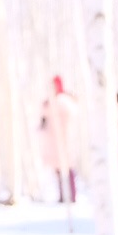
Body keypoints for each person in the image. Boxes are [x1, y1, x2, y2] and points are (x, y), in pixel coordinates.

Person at [39, 76, 82, 204]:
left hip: (64, 140)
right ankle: (64, 195)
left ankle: (71, 196)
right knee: (59, 169)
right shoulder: (55, 101)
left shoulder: (62, 100)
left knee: (67, 168)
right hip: (55, 141)